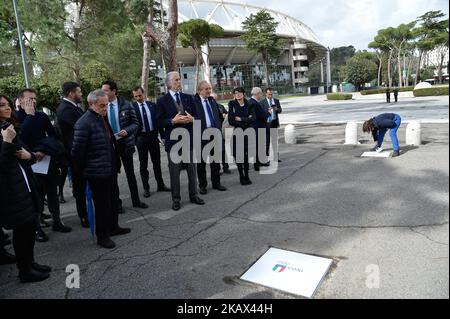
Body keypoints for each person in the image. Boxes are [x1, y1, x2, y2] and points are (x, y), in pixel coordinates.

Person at [0, 94, 51, 282]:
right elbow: (2, 166)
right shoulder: (6, 134)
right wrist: (6, 142)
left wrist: (28, 156)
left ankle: (30, 263)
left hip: (25, 185)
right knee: (21, 233)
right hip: (12, 191)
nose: (7, 108)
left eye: (7, 105)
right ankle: (25, 271)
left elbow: (25, 155)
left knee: (30, 228)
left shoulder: (8, 127)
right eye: (2, 105)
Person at [71, 90, 131, 249]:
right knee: (102, 205)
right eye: (102, 106)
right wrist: (81, 175)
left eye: (106, 105)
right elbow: (77, 153)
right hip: (96, 172)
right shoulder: (84, 123)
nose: (105, 108)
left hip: (109, 168)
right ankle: (102, 236)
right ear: (91, 104)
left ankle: (113, 227)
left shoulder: (100, 117)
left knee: (112, 200)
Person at [15, 88, 72, 239]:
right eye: (29, 99)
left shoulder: (42, 116)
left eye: (34, 98)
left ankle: (57, 221)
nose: (33, 101)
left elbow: (53, 136)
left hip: (46, 159)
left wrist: (43, 150)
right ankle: (37, 227)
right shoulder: (16, 118)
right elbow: (21, 137)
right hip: (29, 163)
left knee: (52, 192)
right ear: (20, 101)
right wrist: (29, 116)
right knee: (36, 196)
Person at [155, 71, 205, 211]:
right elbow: (158, 122)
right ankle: (176, 199)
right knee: (175, 173)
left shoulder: (188, 98)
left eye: (179, 79)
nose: (179, 82)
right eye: (176, 80)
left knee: (191, 170)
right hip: (173, 143)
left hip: (188, 140)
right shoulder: (161, 101)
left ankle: (194, 195)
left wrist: (192, 119)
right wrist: (172, 121)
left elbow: (197, 117)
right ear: (169, 83)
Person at [102, 80, 148, 210]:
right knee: (113, 176)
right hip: (110, 146)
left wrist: (127, 131)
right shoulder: (102, 106)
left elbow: (135, 123)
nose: (103, 92)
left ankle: (136, 201)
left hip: (125, 144)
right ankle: (117, 204)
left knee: (130, 174)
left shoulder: (127, 105)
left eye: (105, 90)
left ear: (113, 91)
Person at [56, 82, 89, 227]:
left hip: (81, 154)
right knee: (80, 188)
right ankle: (84, 217)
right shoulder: (65, 110)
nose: (81, 94)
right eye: (79, 92)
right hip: (76, 156)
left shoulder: (73, 107)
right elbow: (81, 128)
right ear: (71, 93)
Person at [131, 86, 170, 198]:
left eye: (140, 95)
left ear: (144, 93)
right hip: (141, 139)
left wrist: (162, 136)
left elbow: (158, 122)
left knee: (156, 163)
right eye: (136, 96)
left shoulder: (152, 105)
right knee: (143, 165)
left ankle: (160, 185)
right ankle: (146, 188)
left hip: (153, 137)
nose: (138, 98)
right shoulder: (132, 107)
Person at [193, 81, 227, 195]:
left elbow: (218, 116)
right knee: (201, 163)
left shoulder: (212, 100)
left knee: (215, 161)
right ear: (199, 91)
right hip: (201, 136)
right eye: (206, 89)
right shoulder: (194, 102)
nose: (209, 91)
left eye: (209, 88)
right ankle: (202, 186)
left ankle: (216, 183)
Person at [228, 87, 256, 185]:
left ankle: (247, 176)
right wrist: (246, 120)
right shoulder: (232, 104)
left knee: (246, 155)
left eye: (240, 92)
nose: (238, 94)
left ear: (243, 94)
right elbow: (231, 120)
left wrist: (240, 119)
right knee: (238, 155)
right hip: (238, 132)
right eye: (236, 93)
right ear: (234, 95)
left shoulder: (250, 104)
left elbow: (253, 118)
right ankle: (241, 176)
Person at [249, 87, 271, 171]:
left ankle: (259, 162)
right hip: (258, 127)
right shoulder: (255, 103)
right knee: (258, 146)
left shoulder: (250, 101)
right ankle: (257, 164)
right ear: (257, 93)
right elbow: (261, 115)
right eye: (261, 93)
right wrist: (268, 113)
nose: (261, 95)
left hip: (255, 127)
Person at [260, 88, 282, 162]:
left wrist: (275, 109)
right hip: (266, 124)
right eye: (269, 94)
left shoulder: (276, 101)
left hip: (274, 123)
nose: (270, 95)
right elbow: (261, 113)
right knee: (267, 141)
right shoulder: (262, 102)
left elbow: (280, 110)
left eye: (271, 94)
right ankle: (266, 158)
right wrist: (267, 111)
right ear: (265, 94)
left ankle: (276, 157)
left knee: (275, 141)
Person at [211, 92, 231, 175]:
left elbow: (226, 114)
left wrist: (224, 114)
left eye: (215, 99)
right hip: (211, 132)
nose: (214, 100)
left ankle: (225, 167)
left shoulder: (220, 106)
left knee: (222, 150)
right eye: (212, 99)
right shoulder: (209, 107)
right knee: (213, 152)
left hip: (220, 130)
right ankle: (217, 169)